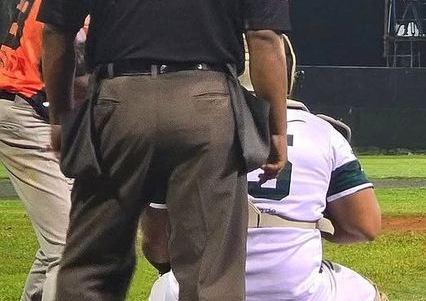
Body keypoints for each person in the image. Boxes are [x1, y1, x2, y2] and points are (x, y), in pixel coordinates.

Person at [37, 0, 291, 299]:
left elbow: (56, 34)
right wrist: (275, 128)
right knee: (211, 273)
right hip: (206, 103)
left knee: (90, 267)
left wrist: (61, 117)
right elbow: (264, 38)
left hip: (116, 103)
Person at [143, 37, 387, 301]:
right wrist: (303, 224)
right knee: (370, 295)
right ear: (288, 74)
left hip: (206, 290)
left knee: (165, 287)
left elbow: (157, 245)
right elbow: (365, 226)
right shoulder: (322, 133)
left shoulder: (181, 135)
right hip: (297, 292)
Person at [0, 0, 127, 301]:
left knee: (58, 238)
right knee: (70, 247)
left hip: (26, 102)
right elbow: (66, 64)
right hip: (27, 107)